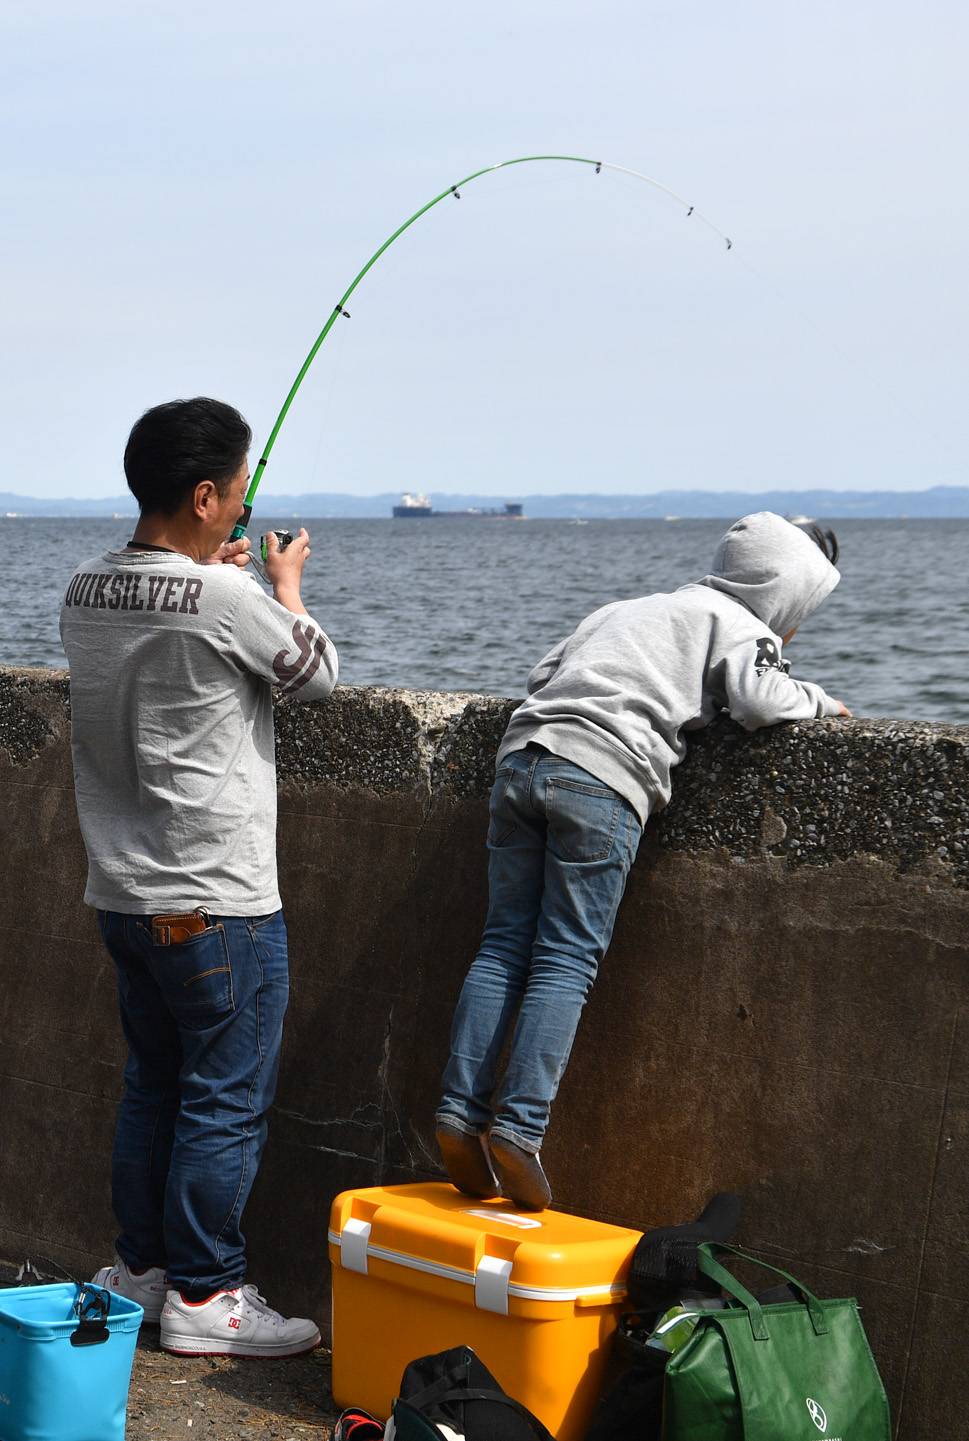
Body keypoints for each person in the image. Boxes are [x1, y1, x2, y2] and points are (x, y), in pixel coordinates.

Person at [435, 512, 849, 1210]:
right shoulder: (741, 625)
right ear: (783, 593)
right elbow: (760, 698)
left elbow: (542, 671)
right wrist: (820, 699)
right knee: (566, 958)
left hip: (521, 761)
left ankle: (456, 1110)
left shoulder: (630, 607)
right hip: (600, 778)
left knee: (504, 943)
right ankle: (518, 1126)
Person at [60, 398, 338, 1356]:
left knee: (154, 1085)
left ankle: (139, 1273)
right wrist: (282, 586)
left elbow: (163, 627)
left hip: (123, 896)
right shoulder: (227, 596)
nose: (245, 511)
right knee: (223, 1096)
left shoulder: (82, 586)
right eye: (238, 493)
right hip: (217, 899)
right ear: (207, 494)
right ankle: (208, 1295)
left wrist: (213, 581)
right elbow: (316, 675)